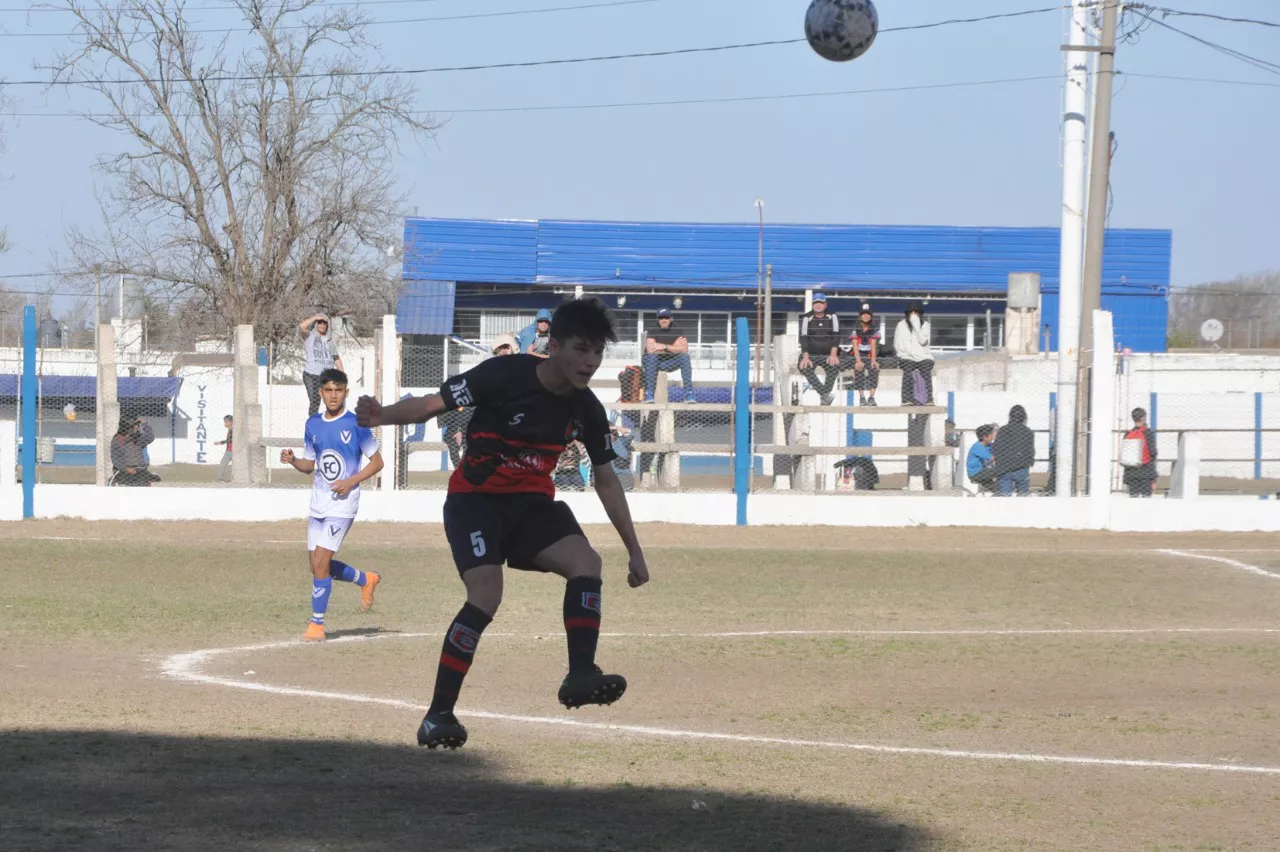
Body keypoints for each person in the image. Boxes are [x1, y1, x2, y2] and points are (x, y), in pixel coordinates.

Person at [355, 297, 650, 751]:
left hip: (531, 508)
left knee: (586, 563)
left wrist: (634, 550)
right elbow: (433, 405)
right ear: (555, 345)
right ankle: (438, 715)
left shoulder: (587, 408)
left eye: (597, 352)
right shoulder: (503, 375)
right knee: (486, 595)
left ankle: (580, 674)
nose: (590, 362)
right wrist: (381, 416)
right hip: (475, 502)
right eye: (581, 349)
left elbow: (607, 480)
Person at [280, 368, 385, 642]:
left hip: (343, 505)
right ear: (321, 393)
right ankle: (365, 579)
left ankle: (317, 625)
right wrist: (293, 460)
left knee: (321, 563)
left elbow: (377, 463)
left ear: (346, 392)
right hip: (318, 503)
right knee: (316, 566)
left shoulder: (357, 424)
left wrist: (351, 481)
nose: (333, 395)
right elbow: (309, 465)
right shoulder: (312, 424)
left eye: (339, 390)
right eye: (328, 390)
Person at [797, 293, 853, 406]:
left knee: (834, 366)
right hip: (811, 355)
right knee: (803, 366)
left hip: (829, 354)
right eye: (816, 303)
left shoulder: (833, 316)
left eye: (821, 303)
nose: (818, 305)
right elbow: (803, 338)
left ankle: (824, 396)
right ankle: (825, 394)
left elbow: (836, 335)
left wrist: (833, 354)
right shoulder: (806, 318)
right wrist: (805, 357)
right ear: (812, 305)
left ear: (825, 304)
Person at [642, 309, 696, 403]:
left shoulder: (678, 329)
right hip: (652, 362)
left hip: (669, 362)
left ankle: (688, 394)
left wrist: (664, 346)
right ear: (658, 319)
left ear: (671, 319)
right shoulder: (653, 328)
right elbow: (651, 350)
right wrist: (675, 347)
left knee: (685, 357)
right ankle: (649, 394)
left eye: (666, 317)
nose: (663, 320)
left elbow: (684, 349)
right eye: (661, 318)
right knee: (652, 357)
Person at [300, 314, 344, 417]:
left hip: (327, 377)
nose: (322, 325)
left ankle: (329, 422)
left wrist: (342, 375)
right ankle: (313, 424)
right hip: (312, 375)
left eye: (325, 323)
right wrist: (315, 317)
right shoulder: (310, 336)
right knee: (315, 402)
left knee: (331, 402)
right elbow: (302, 327)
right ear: (316, 324)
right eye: (320, 323)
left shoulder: (330, 341)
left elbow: (336, 359)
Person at [893, 302, 934, 406]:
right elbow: (897, 343)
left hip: (923, 356)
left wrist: (916, 325)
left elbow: (923, 341)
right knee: (908, 371)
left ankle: (928, 399)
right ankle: (906, 399)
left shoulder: (925, 325)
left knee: (926, 371)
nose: (913, 314)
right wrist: (905, 354)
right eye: (911, 312)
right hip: (907, 356)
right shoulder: (901, 325)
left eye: (916, 312)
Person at [991, 405, 1035, 496]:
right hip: (1021, 467)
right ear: (1024, 417)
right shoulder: (1028, 432)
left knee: (1005, 496)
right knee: (1023, 495)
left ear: (1010, 416)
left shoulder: (1003, 430)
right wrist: (1030, 462)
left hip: (1005, 467)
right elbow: (1030, 451)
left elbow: (996, 448)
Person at [110, 414, 157, 486]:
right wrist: (126, 468)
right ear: (127, 426)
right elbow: (116, 459)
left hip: (140, 470)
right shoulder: (117, 440)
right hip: (124, 471)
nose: (137, 427)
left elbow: (150, 437)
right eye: (135, 425)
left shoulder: (138, 438)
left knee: (146, 481)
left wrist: (145, 424)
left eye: (138, 425)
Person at [1122, 407, 1158, 497]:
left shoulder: (1127, 434)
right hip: (1145, 471)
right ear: (1143, 418)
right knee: (1146, 497)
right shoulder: (1148, 433)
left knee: (1133, 497)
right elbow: (1153, 452)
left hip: (1131, 472)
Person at [849, 304, 880, 406]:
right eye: (863, 314)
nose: (866, 316)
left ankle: (871, 397)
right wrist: (858, 361)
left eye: (868, 314)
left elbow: (873, 344)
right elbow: (854, 344)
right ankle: (862, 398)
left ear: (871, 316)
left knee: (874, 370)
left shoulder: (875, 328)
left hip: (870, 355)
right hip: (858, 355)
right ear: (860, 316)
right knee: (858, 371)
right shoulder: (855, 328)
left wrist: (873, 361)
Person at [966, 424, 997, 491]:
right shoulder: (978, 446)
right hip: (976, 473)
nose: (993, 437)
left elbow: (995, 447)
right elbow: (992, 458)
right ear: (985, 437)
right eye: (991, 435)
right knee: (1001, 470)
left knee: (997, 489)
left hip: (982, 472)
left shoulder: (987, 445)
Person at [214, 414, 234, 482]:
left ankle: (235, 481)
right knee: (222, 465)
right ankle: (219, 480)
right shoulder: (230, 429)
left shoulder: (233, 430)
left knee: (236, 468)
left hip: (234, 452)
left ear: (231, 422)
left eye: (226, 422)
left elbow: (230, 439)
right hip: (228, 451)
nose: (225, 423)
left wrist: (220, 442)